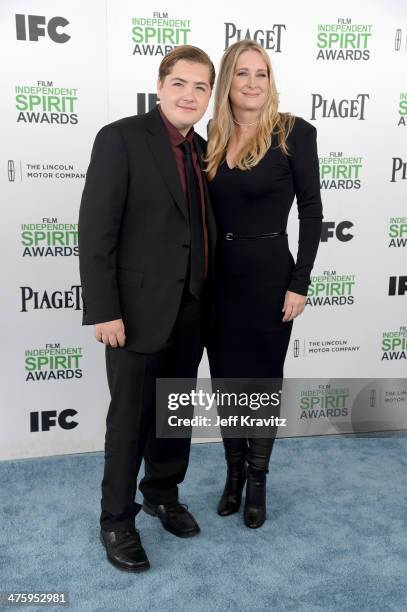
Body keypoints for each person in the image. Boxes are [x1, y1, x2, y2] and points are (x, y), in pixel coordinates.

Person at [78, 46, 216, 571]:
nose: (189, 95)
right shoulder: (121, 138)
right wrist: (104, 310)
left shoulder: (203, 149)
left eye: (201, 87)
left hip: (192, 308)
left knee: (173, 413)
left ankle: (162, 491)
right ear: (160, 87)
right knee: (130, 420)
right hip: (133, 313)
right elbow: (96, 230)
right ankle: (116, 520)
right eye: (180, 83)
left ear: (208, 96)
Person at [205, 40, 323, 528]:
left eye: (261, 73)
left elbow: (312, 212)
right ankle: (232, 475)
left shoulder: (293, 132)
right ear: (227, 84)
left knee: (261, 385)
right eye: (241, 74)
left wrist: (300, 283)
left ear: (270, 81)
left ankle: (257, 481)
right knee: (227, 383)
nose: (252, 83)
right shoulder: (209, 136)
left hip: (272, 278)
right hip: (216, 281)